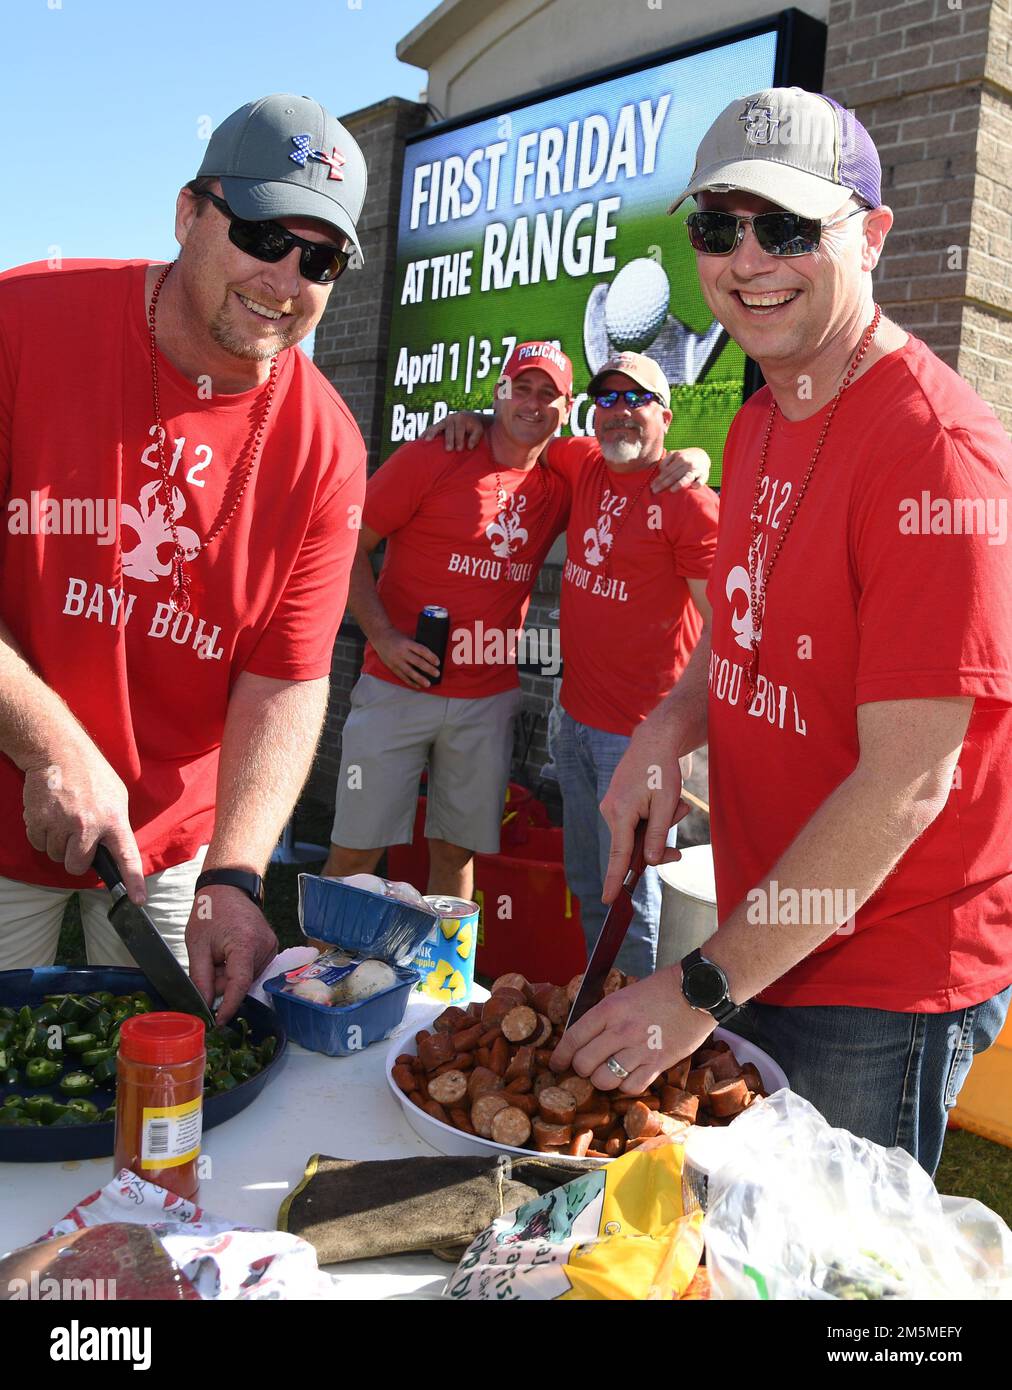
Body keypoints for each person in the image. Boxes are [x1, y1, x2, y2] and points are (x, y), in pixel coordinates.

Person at [552, 86, 1012, 1176]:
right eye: (720, 227)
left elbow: (906, 781)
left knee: (832, 1275)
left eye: (790, 228)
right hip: (763, 934)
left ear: (872, 237)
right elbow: (741, 625)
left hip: (883, 979)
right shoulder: (760, 410)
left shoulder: (936, 452)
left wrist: (701, 984)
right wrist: (671, 723)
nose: (747, 259)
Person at [0, 94, 368, 1020]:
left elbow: (286, 678)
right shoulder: (24, 320)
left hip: (170, 856)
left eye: (318, 258)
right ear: (187, 214)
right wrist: (49, 745)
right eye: (260, 233)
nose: (285, 278)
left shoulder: (327, 447)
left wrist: (237, 875)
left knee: (160, 1098)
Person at [325, 343, 710, 900]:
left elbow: (643, 459)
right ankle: (315, 980)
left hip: (490, 699)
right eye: (520, 389)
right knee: (357, 849)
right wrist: (383, 636)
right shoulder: (437, 454)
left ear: (566, 407)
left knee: (458, 852)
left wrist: (694, 457)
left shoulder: (566, 475)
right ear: (499, 394)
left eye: (547, 394)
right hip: (397, 686)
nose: (533, 404)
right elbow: (344, 541)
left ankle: (445, 984)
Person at [434, 352, 718, 975]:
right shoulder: (581, 459)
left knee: (634, 907)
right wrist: (470, 419)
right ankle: (603, 1016)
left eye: (634, 400)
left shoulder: (690, 504)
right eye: (607, 400)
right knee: (593, 888)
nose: (619, 414)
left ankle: (639, 1047)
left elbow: (728, 632)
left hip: (642, 742)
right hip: (576, 726)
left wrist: (677, 737)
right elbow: (521, 427)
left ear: (665, 416)